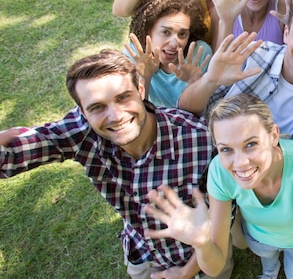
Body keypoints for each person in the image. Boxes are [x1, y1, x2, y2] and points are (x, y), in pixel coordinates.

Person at [0, 50, 233, 279]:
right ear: (82, 113)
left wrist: (186, 272)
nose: (116, 116)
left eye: (123, 97)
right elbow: (16, 153)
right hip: (143, 253)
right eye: (97, 107)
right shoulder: (83, 134)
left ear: (141, 89)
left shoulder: (198, 141)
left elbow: (222, 218)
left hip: (199, 256)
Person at [144, 94, 293, 279]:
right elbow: (215, 266)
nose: (240, 163)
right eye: (226, 149)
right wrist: (202, 243)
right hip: (259, 239)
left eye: (250, 144)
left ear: (274, 135)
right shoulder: (220, 172)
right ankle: (270, 272)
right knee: (268, 260)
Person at [178, 0, 293, 148]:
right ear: (286, 34)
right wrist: (210, 80)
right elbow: (185, 109)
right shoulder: (253, 55)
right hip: (214, 153)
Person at [124, 0, 212, 108]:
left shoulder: (199, 53)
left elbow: (203, 111)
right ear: (148, 31)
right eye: (166, 32)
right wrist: (146, 77)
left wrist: (194, 82)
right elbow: (137, 112)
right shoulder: (135, 55)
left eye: (182, 34)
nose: (175, 43)